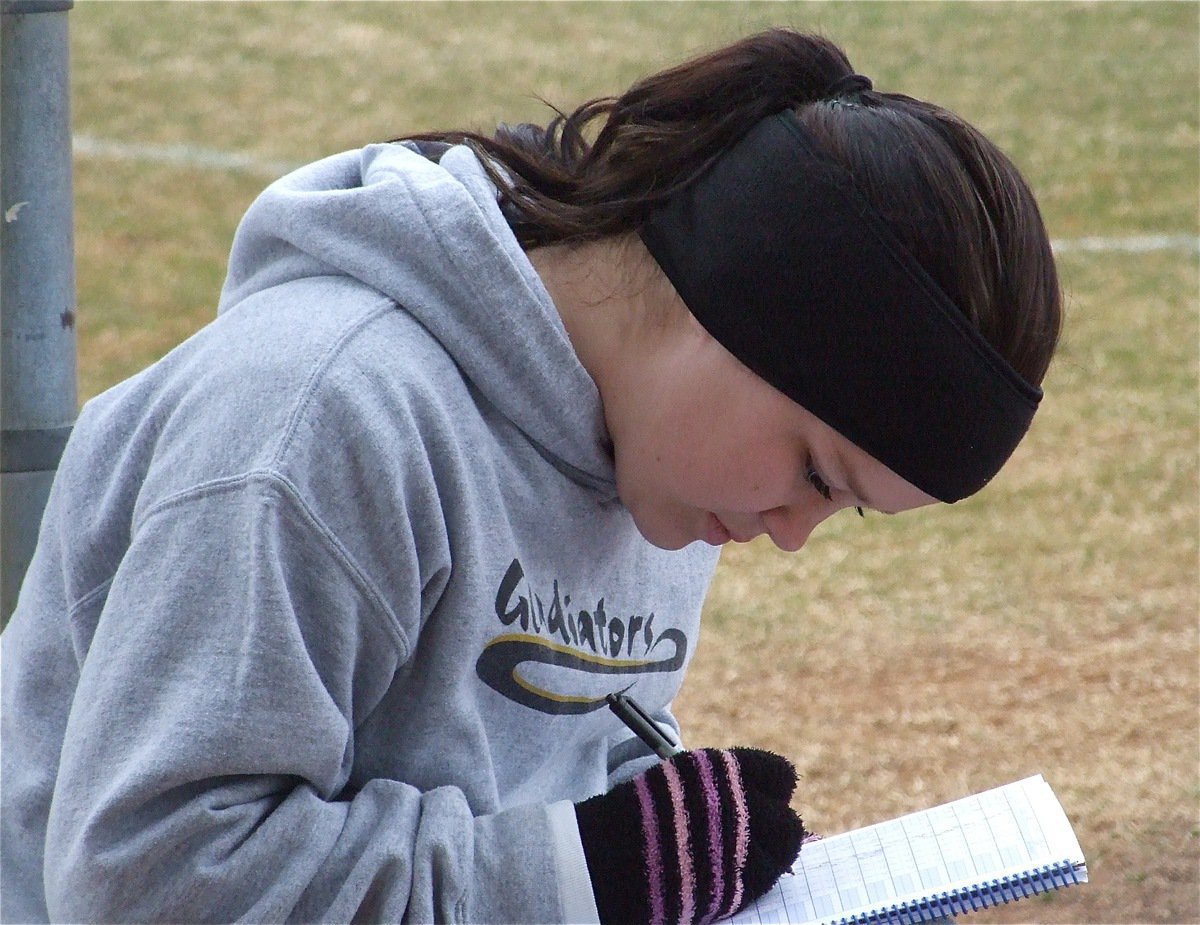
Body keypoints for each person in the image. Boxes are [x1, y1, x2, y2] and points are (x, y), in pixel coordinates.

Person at [0, 27, 1061, 924]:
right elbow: (146, 880)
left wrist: (683, 853)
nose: (792, 531)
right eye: (819, 473)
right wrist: (592, 875)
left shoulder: (660, 464)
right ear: (735, 311)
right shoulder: (319, 419)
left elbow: (558, 773)